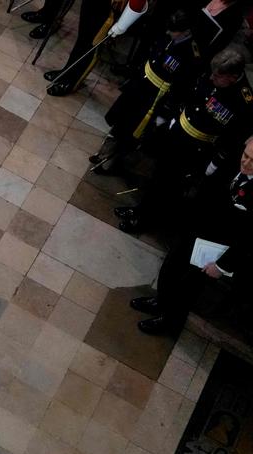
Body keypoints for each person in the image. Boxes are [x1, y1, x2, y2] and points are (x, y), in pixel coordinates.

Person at [115, 47, 253, 233]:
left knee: (169, 186)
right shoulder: (213, 73)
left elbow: (234, 136)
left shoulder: (244, 101)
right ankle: (141, 210)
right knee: (157, 175)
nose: (212, 78)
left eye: (218, 77)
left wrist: (215, 161)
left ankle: (147, 221)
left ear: (233, 77)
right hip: (177, 134)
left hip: (195, 149)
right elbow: (191, 96)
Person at [129, 134, 253, 335]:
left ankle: (170, 322)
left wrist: (222, 266)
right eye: (245, 155)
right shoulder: (233, 164)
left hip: (215, 249)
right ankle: (160, 301)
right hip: (195, 229)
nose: (245, 163)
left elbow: (248, 238)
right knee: (170, 268)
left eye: (252, 161)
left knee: (187, 288)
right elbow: (209, 188)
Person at [90, 9, 201, 173]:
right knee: (120, 122)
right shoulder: (168, 35)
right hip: (140, 85)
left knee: (131, 134)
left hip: (153, 99)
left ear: (186, 31)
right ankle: (103, 153)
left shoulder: (191, 55)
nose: (169, 32)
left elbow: (181, 87)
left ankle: (112, 163)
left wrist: (164, 113)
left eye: (174, 31)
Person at [44, 0, 148, 97]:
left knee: (91, 43)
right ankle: (67, 71)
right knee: (83, 36)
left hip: (110, 6)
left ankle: (72, 80)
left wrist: (123, 24)